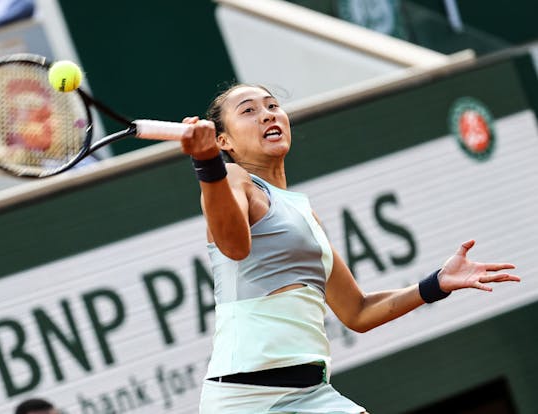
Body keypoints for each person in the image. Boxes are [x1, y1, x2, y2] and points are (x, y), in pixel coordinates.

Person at [178, 84, 521, 414]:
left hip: (310, 392)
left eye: (272, 106)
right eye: (249, 111)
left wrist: (436, 284)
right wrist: (208, 164)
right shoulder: (232, 178)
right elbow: (234, 246)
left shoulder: (305, 213)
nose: (267, 115)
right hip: (245, 398)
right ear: (223, 140)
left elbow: (357, 311)